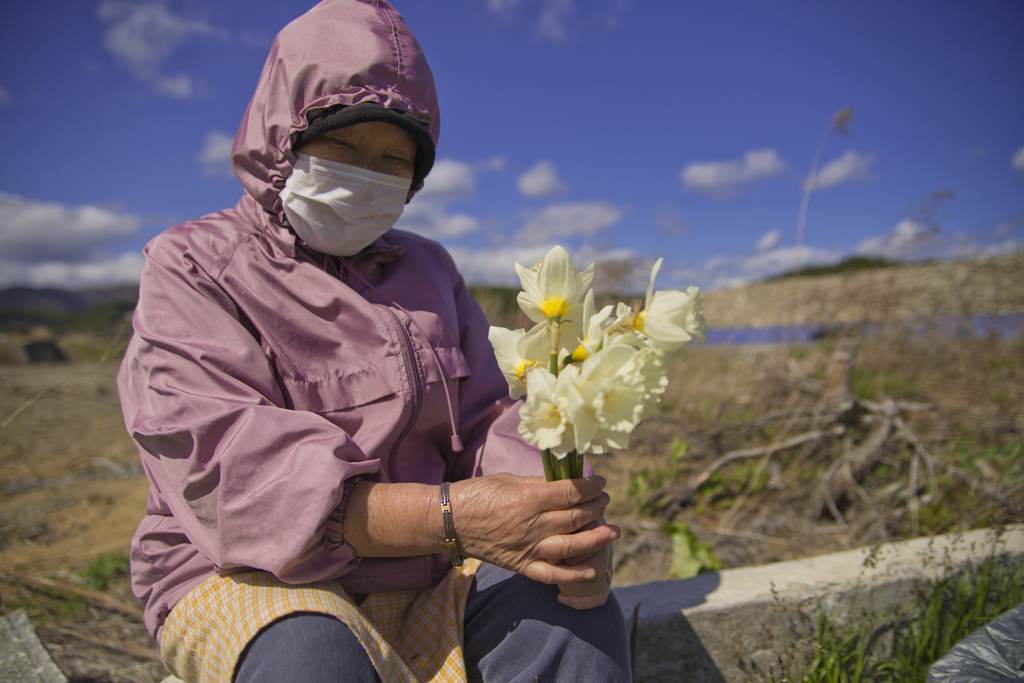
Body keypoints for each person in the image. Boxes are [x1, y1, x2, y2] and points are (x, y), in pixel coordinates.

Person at [116, 1, 631, 681]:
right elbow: (232, 473)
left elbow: (491, 421)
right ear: (282, 136)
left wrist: (557, 519)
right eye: (345, 147)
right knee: (310, 659)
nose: (369, 174)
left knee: (573, 616)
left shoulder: (430, 270)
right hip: (251, 573)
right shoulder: (193, 266)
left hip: (427, 575)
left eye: (394, 159)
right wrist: (451, 516)